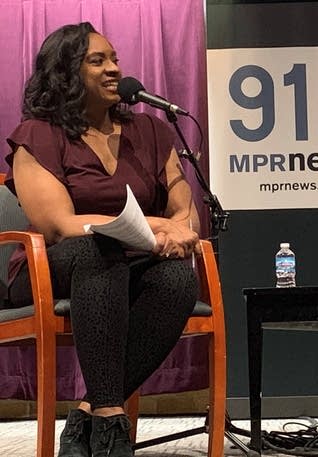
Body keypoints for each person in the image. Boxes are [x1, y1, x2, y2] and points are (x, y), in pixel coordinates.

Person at [3, 22, 201, 457]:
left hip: (130, 263)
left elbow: (183, 207)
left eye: (114, 59)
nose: (114, 69)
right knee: (98, 250)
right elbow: (57, 224)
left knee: (178, 279)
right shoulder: (39, 134)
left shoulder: (152, 132)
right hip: (50, 266)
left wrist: (181, 229)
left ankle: (92, 411)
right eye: (98, 61)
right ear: (65, 73)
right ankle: (112, 421)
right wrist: (155, 226)